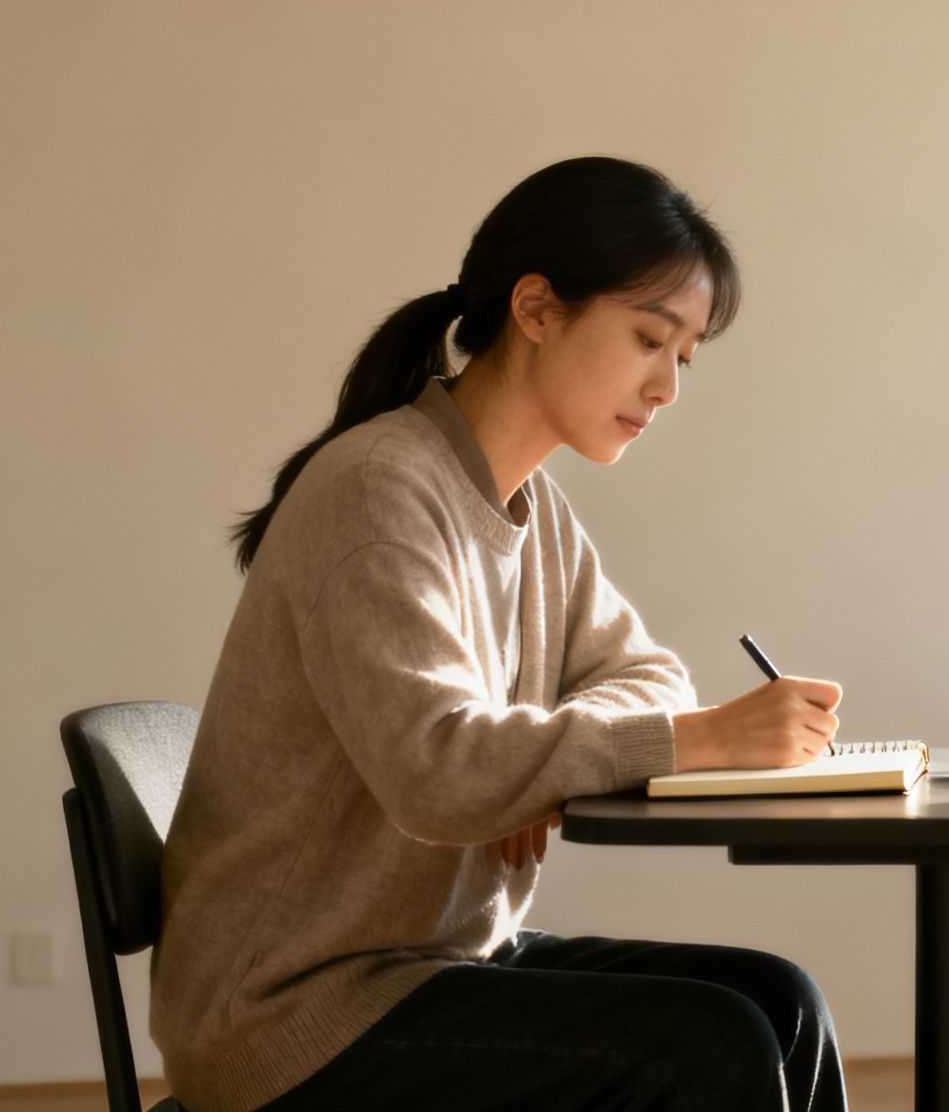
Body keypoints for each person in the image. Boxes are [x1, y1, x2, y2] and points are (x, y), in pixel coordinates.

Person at [153, 157, 848, 1112]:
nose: (667, 390)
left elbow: (647, 673)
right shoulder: (380, 490)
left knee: (780, 1001)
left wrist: (542, 760)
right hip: (292, 1012)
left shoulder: (530, 508)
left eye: (682, 357)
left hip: (422, 964)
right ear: (536, 308)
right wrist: (673, 745)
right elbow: (441, 773)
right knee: (707, 1046)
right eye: (650, 338)